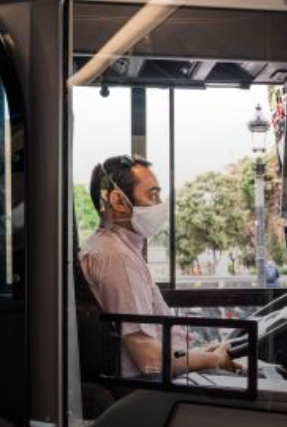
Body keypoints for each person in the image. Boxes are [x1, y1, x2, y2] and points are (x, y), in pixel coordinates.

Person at [80, 155, 238, 378]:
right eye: (152, 194)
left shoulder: (117, 250)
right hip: (148, 386)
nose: (160, 203)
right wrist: (213, 359)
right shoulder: (116, 258)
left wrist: (198, 355)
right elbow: (150, 360)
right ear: (117, 201)